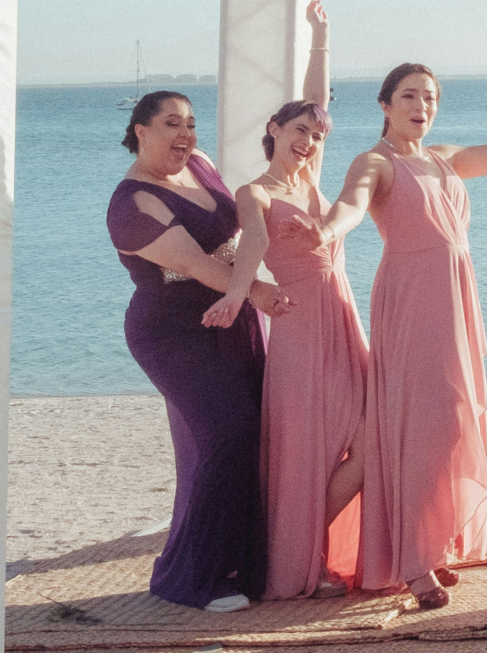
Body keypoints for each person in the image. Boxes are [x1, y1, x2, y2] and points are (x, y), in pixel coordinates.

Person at [349, 59, 487, 609]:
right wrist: (329, 227)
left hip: (456, 301)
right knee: (418, 429)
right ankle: (412, 562)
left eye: (429, 98)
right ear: (385, 105)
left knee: (453, 423)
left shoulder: (443, 158)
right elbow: (353, 202)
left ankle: (434, 544)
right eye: (408, 96)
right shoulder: (374, 162)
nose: (421, 107)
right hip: (412, 307)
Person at [204, 0, 370, 600]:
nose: (309, 140)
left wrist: (321, 37)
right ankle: (301, 557)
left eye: (317, 134)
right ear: (273, 129)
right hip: (300, 329)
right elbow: (250, 249)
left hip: (343, 316)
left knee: (372, 435)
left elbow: (316, 97)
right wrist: (238, 296)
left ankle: (309, 546)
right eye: (299, 130)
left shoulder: (310, 177)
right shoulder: (255, 192)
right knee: (308, 450)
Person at [105, 91, 289, 612]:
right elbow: (199, 266)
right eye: (170, 124)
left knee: (256, 432)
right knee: (228, 433)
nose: (185, 134)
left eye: (190, 122)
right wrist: (259, 291)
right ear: (140, 130)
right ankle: (196, 579)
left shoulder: (202, 165)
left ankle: (253, 564)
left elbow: (245, 231)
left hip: (234, 319)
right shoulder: (131, 204)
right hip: (173, 332)